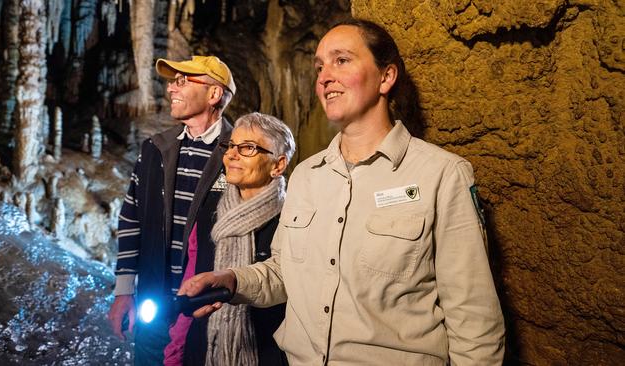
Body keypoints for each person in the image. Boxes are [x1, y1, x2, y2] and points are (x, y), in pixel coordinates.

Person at [179, 19, 506, 365]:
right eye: (319, 66)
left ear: (386, 76)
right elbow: (284, 273)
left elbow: (474, 318)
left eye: (342, 60)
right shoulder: (305, 177)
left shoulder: (441, 175)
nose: (324, 76)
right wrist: (231, 280)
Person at [107, 54, 236, 365]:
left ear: (214, 94)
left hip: (212, 309)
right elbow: (131, 219)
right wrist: (124, 291)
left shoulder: (239, 152)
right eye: (171, 82)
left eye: (182, 81)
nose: (170, 89)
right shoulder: (155, 150)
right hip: (158, 303)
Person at [173, 112, 294, 366]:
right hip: (203, 346)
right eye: (230, 146)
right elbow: (193, 270)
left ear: (278, 165)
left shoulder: (293, 219)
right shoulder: (210, 207)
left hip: (265, 352)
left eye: (248, 148)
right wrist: (176, 341)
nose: (231, 155)